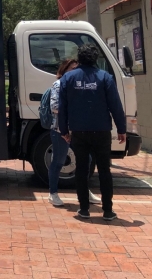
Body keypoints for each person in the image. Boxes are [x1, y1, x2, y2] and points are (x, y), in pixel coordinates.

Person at [59, 44, 127, 221]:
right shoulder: (105, 77)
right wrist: (122, 129)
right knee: (104, 169)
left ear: (79, 59)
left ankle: (84, 209)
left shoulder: (68, 78)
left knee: (81, 169)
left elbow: (63, 107)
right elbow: (116, 106)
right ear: (96, 59)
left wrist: (64, 130)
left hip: (79, 131)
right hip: (102, 130)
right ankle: (108, 211)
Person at [48, 59, 101, 207]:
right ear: (64, 70)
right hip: (60, 129)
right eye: (72, 69)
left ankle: (85, 191)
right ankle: (53, 193)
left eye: (77, 69)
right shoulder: (58, 85)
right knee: (59, 161)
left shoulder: (79, 85)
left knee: (87, 160)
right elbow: (55, 106)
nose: (75, 72)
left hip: (78, 130)